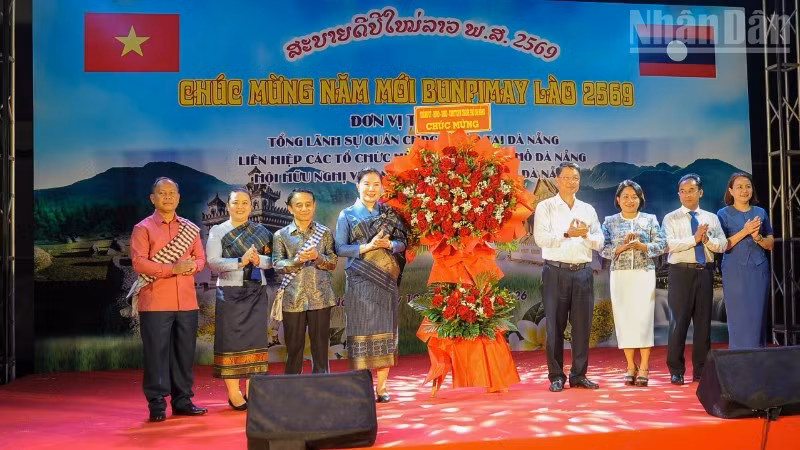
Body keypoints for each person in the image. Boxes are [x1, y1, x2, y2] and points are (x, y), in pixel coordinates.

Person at [130, 177, 208, 422]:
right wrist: (171, 269)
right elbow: (139, 262)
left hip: (186, 301)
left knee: (184, 354)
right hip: (155, 301)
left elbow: (200, 259)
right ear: (153, 198)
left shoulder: (190, 228)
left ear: (178, 198)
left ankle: (183, 400)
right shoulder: (142, 228)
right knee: (156, 354)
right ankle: (156, 404)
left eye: (172, 193)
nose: (167, 197)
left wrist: (191, 266)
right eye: (162, 193)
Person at [334, 168, 408, 403]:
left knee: (386, 330)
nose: (371, 189)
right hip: (359, 280)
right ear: (358, 186)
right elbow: (340, 249)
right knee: (361, 330)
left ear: (381, 187)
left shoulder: (389, 213)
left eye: (376, 184)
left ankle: (382, 387)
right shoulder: (347, 215)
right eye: (367, 184)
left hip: (386, 279)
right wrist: (368, 247)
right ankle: (361, 386)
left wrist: (389, 245)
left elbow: (404, 243)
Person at [533, 162, 604, 392]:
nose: (572, 182)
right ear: (557, 180)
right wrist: (567, 233)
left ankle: (579, 374)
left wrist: (584, 237)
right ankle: (556, 376)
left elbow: (600, 242)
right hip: (555, 271)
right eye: (567, 177)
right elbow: (541, 239)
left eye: (576, 178)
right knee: (555, 325)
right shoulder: (546, 207)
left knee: (582, 327)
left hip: (583, 272)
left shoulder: (587, 209)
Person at [205, 188, 273, 410]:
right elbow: (213, 262)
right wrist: (240, 262)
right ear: (228, 205)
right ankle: (234, 393)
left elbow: (272, 260)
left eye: (245, 202)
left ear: (251, 206)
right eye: (236, 202)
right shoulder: (218, 231)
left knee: (255, 340)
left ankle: (252, 390)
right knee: (231, 342)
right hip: (230, 291)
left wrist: (258, 259)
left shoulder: (261, 231)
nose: (241, 206)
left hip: (256, 290)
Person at [662, 174, 727, 385]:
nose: (687, 194)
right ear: (678, 194)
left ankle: (701, 369)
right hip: (680, 272)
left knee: (703, 323)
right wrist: (694, 239)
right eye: (683, 191)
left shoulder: (711, 218)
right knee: (678, 323)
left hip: (705, 271)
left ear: (700, 192)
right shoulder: (670, 218)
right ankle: (676, 370)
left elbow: (723, 245)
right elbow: (670, 245)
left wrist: (706, 239)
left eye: (691, 190)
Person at [600, 180, 666, 387]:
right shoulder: (609, 221)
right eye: (625, 196)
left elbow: (662, 244)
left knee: (643, 319)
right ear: (618, 199)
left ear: (640, 199)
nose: (630, 200)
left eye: (634, 197)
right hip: (620, 275)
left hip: (644, 274)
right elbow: (602, 248)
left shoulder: (650, 219)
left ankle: (644, 366)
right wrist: (619, 248)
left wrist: (642, 246)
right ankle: (630, 365)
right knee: (624, 319)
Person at [272, 189, 338, 374]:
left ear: (314, 206)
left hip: (320, 297)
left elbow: (332, 263)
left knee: (320, 348)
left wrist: (317, 257)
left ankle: (321, 385)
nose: (304, 209)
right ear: (290, 208)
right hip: (293, 297)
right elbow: (277, 264)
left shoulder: (324, 233)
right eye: (299, 205)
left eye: (308, 205)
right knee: (293, 348)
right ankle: (292, 387)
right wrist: (297, 261)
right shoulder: (281, 235)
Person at [717, 173, 774, 349]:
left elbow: (770, 243)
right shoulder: (723, 214)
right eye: (739, 187)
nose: (744, 190)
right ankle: (739, 358)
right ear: (731, 191)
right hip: (734, 270)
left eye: (748, 186)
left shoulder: (760, 212)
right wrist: (745, 231)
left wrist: (757, 238)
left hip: (758, 270)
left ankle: (758, 359)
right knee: (738, 317)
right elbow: (722, 246)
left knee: (757, 316)